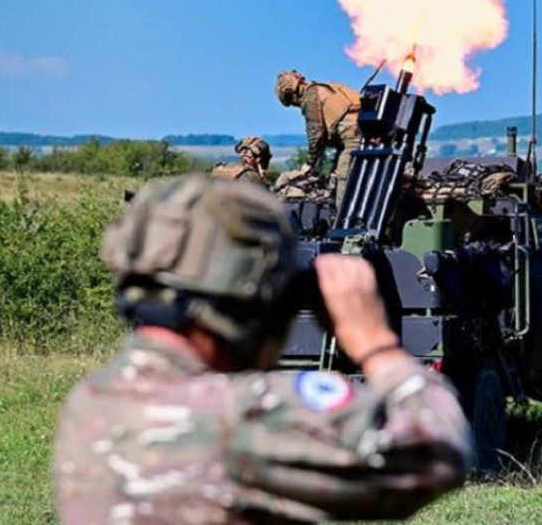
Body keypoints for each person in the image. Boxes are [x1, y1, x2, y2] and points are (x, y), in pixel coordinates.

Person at [53, 176, 471, 523]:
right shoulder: (242, 417)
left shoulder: (90, 401)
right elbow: (436, 453)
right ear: (253, 297)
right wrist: (374, 342)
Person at [274, 70, 360, 205]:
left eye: (293, 101)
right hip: (367, 134)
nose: (297, 105)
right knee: (335, 176)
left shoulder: (310, 96)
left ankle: (343, 222)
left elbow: (316, 135)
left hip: (353, 139)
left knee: (343, 177)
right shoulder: (328, 88)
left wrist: (309, 164)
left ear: (292, 93)